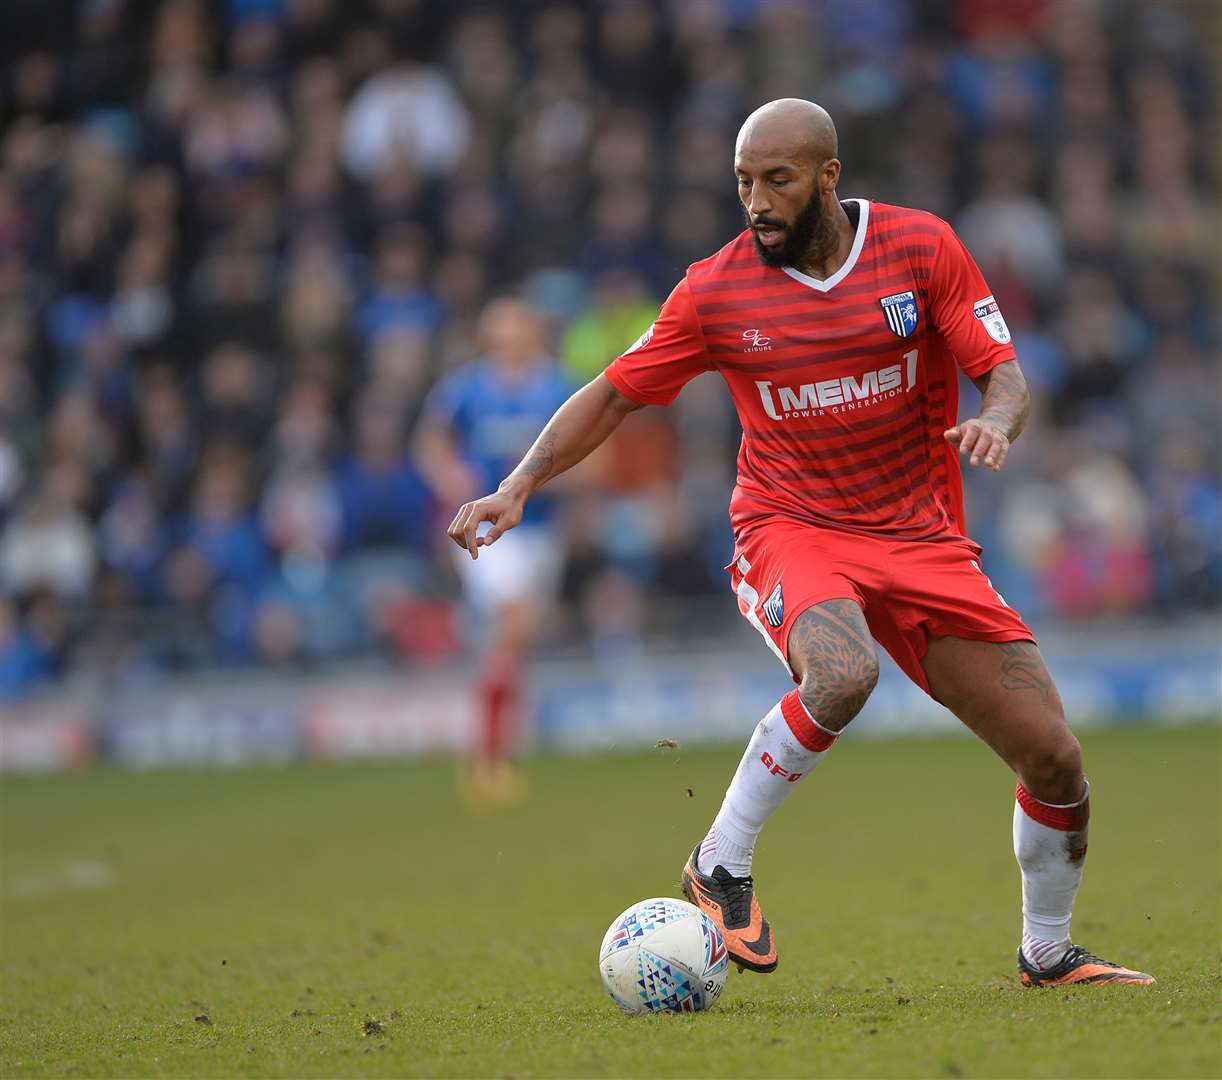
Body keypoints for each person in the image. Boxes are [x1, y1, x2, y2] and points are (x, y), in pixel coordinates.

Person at [446, 100, 1155, 986]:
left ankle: (1046, 953)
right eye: (743, 182)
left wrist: (998, 422)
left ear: (828, 176)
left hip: (921, 536)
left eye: (776, 180)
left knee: (1054, 757)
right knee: (844, 672)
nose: (757, 201)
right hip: (792, 526)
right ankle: (721, 862)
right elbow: (615, 393)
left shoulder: (921, 249)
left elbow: (1002, 375)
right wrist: (516, 487)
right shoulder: (716, 288)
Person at [419, 297, 576, 808]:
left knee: (516, 640)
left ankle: (502, 743)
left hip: (542, 532)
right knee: (514, 622)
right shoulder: (466, 388)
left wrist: (541, 481)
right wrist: (451, 477)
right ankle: (486, 761)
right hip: (489, 530)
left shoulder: (559, 386)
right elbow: (430, 443)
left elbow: (597, 457)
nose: (510, 339)